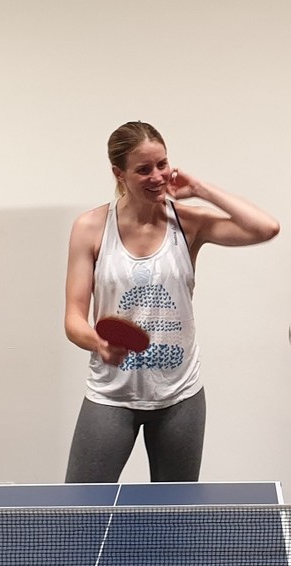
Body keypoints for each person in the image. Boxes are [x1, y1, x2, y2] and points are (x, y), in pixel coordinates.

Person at [63, 121, 279, 483]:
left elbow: (265, 228)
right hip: (112, 393)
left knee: (174, 510)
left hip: (180, 396)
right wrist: (98, 343)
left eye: (162, 164)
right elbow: (73, 318)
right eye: (143, 169)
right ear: (119, 173)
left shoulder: (188, 223)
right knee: (81, 506)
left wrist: (200, 190)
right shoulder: (91, 227)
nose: (157, 176)